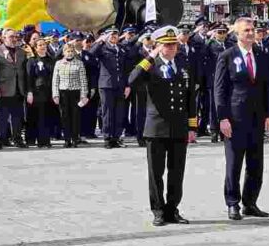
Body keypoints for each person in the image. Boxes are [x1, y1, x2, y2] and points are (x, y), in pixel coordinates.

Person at [128, 26, 197, 227]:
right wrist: (151, 57)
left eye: (174, 44)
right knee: (156, 172)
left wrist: (192, 126)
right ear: (158, 46)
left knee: (177, 171)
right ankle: (158, 210)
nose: (172, 48)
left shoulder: (183, 64)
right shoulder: (151, 65)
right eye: (167, 45)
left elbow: (191, 96)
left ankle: (172, 209)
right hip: (156, 127)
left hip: (178, 126)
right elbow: (132, 79)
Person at [214, 17, 269, 220]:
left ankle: (250, 202)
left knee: (256, 163)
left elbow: (267, 86)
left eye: (252, 29)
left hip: (257, 117)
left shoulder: (261, 54)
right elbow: (220, 90)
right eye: (246, 30)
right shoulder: (227, 56)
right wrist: (222, 118)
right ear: (237, 34)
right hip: (235, 118)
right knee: (234, 163)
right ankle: (233, 203)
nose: (251, 33)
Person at [89, 26, 132, 148]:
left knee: (119, 112)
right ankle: (107, 138)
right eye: (111, 35)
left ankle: (116, 137)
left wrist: (127, 85)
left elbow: (126, 69)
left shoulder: (121, 49)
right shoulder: (102, 48)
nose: (113, 37)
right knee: (107, 112)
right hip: (106, 84)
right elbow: (90, 53)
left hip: (120, 85)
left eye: (116, 34)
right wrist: (101, 40)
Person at [0, 28, 29, 149]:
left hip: (19, 88)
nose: (14, 39)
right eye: (11, 37)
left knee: (17, 116)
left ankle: (17, 138)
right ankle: (1, 139)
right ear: (3, 38)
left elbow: (24, 71)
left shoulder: (22, 52)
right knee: (2, 116)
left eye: (15, 37)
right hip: (3, 89)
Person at [52, 43, 89, 148]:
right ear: (64, 52)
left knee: (75, 116)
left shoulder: (79, 63)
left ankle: (74, 138)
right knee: (64, 116)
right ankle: (67, 139)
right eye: (68, 51)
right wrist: (55, 94)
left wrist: (84, 95)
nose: (70, 53)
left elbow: (83, 80)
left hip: (75, 92)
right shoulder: (58, 63)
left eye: (72, 51)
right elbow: (55, 80)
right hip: (63, 93)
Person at [26, 39, 56, 148]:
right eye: (40, 45)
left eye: (44, 45)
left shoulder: (51, 60)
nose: (42, 46)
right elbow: (29, 77)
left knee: (48, 116)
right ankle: (39, 140)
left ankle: (46, 140)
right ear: (36, 47)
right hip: (37, 92)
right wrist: (29, 92)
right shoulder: (32, 60)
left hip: (48, 92)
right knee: (38, 117)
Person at [206, 22, 231, 143]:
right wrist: (208, 39)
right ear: (214, 33)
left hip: (228, 79)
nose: (222, 35)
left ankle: (224, 132)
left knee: (226, 105)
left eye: (224, 32)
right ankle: (214, 131)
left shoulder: (230, 44)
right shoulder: (210, 45)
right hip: (214, 79)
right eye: (219, 32)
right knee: (214, 106)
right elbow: (202, 55)